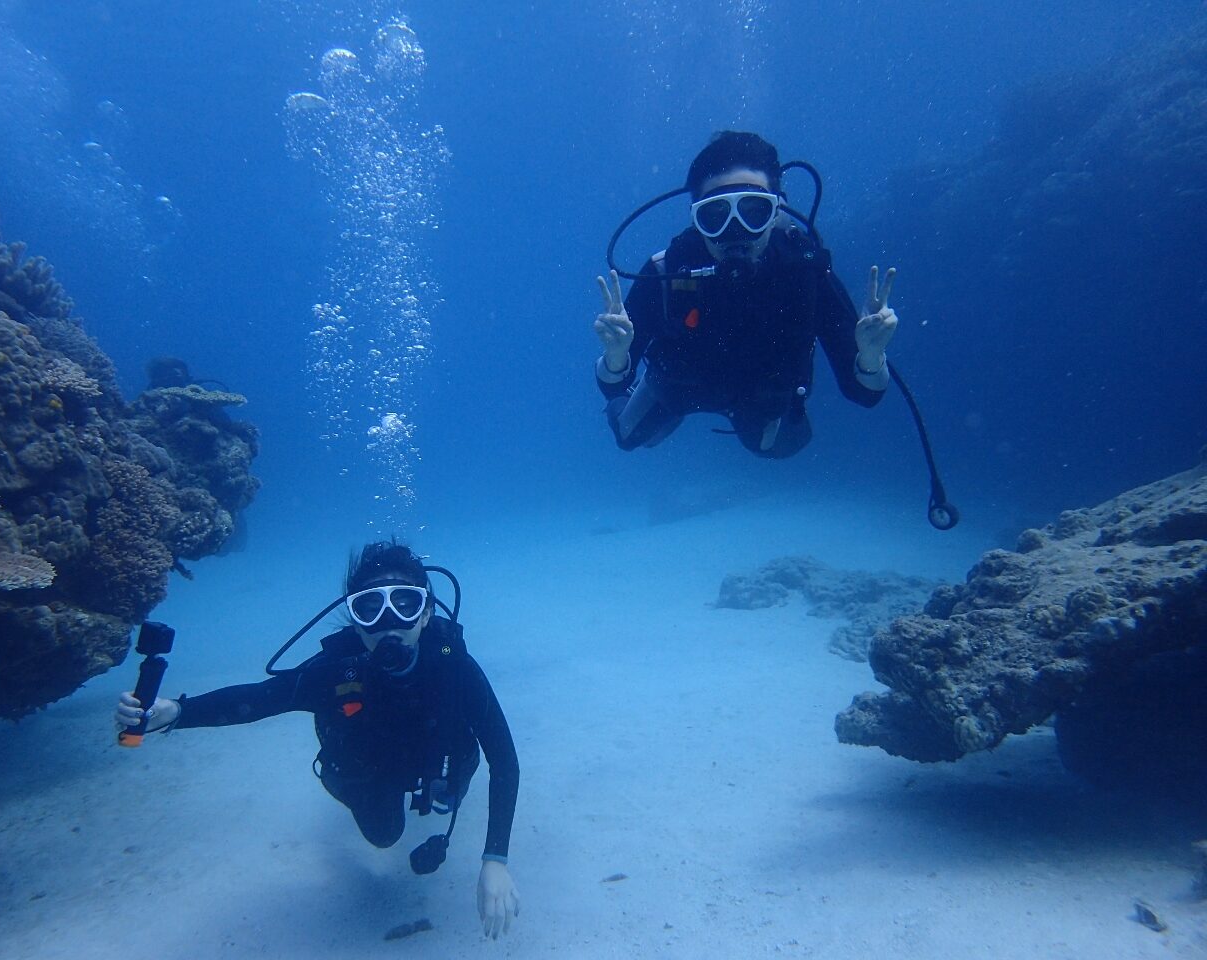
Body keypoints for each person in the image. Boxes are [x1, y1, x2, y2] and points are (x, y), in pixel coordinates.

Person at [115, 540, 521, 939]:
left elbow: (504, 759)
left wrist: (495, 860)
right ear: (354, 617)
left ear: (427, 612)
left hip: (438, 755)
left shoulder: (456, 666)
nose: (388, 622)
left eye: (405, 604)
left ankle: (444, 786)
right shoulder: (336, 671)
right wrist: (179, 712)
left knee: (457, 777)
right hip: (372, 768)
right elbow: (258, 700)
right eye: (368, 607)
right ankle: (355, 789)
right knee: (384, 835)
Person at [594, 130, 899, 458]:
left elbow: (864, 395)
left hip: (761, 404)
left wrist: (870, 356)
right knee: (629, 435)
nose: (736, 230)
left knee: (779, 448)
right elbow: (613, 385)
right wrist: (616, 356)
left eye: (754, 211)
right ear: (697, 218)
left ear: (777, 212)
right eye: (715, 216)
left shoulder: (805, 272)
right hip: (676, 391)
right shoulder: (666, 271)